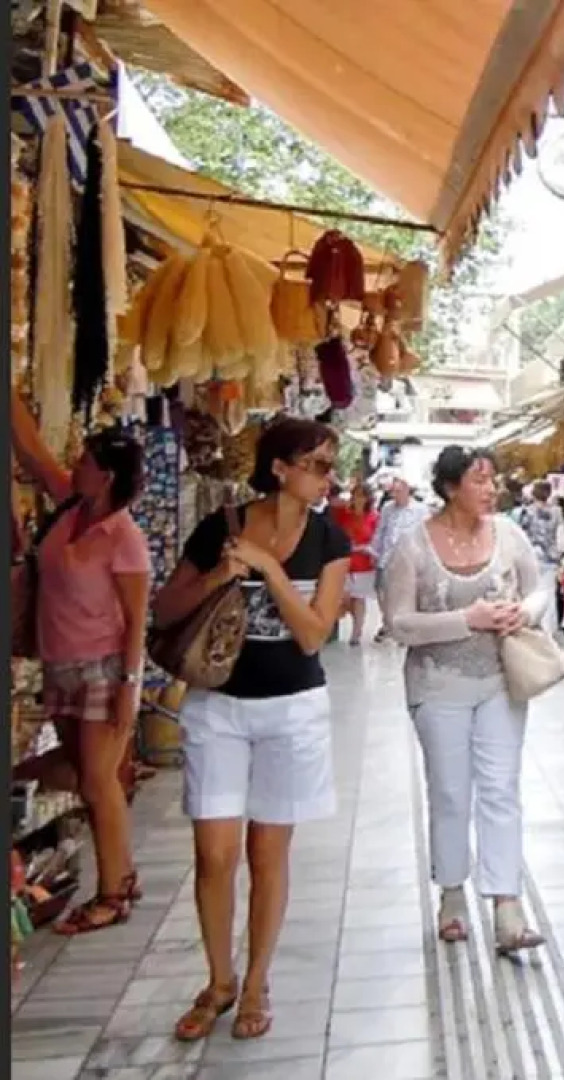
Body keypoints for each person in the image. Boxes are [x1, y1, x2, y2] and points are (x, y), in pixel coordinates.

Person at [153, 417, 350, 1042]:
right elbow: (165, 608)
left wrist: (267, 569)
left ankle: (257, 981)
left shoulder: (330, 540)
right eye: (317, 464)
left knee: (269, 855)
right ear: (279, 468)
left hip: (292, 710)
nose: (327, 476)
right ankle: (219, 979)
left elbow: (315, 633)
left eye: (329, 465)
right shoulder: (223, 527)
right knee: (213, 855)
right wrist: (221, 575)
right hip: (219, 706)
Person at [381, 447, 548, 953]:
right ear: (452, 487)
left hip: (501, 679)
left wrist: (523, 611)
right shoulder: (413, 547)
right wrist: (465, 620)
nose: (489, 489)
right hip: (438, 686)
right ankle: (452, 891)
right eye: (479, 480)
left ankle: (506, 904)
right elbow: (398, 623)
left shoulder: (509, 534)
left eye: (491, 480)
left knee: (501, 788)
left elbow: (541, 591)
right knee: (451, 792)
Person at [10, 398, 150, 935]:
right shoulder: (71, 508)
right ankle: (124, 873)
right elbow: (35, 452)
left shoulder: (124, 537)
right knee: (87, 775)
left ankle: (111, 894)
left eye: (87, 461)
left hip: (103, 669)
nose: (76, 466)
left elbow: (137, 620)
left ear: (106, 476)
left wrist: (128, 688)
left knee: (96, 781)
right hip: (60, 664)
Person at [372, 474, 429, 642]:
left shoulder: (420, 510)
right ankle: (388, 623)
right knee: (383, 592)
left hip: (409, 560)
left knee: (407, 594)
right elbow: (381, 530)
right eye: (393, 492)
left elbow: (425, 534)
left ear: (406, 490)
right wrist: (375, 551)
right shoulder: (388, 508)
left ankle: (405, 627)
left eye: (398, 491)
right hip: (387, 557)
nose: (395, 495)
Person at [331, 479, 379, 646]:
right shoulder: (344, 513)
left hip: (362, 564)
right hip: (344, 562)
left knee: (359, 598)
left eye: (360, 495)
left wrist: (362, 548)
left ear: (367, 498)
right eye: (355, 495)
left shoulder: (373, 517)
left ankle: (356, 633)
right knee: (344, 598)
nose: (357, 499)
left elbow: (377, 541)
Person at [516, 481, 564, 633]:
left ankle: (534, 624)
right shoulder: (557, 512)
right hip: (551, 557)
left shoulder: (526, 511)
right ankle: (549, 628)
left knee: (531, 592)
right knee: (549, 593)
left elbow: (522, 534)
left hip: (531, 555)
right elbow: (561, 534)